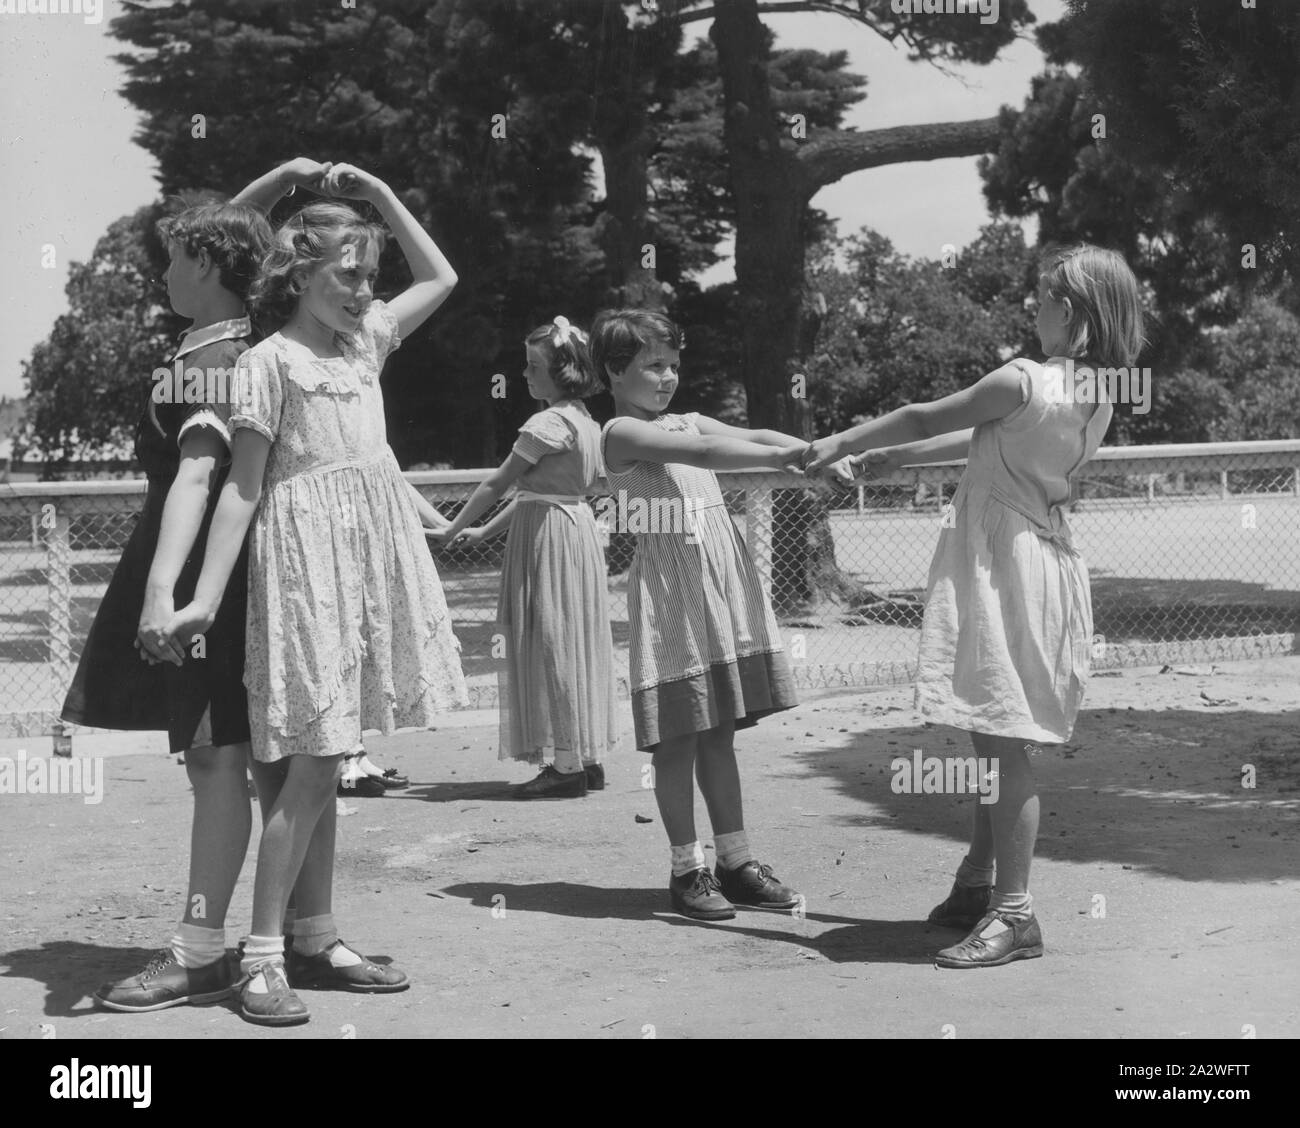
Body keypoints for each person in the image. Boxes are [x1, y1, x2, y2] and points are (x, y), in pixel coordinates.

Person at [163, 164, 467, 1024]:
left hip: (365, 571)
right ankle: (263, 956)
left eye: (371, 275)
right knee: (309, 768)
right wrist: (204, 600)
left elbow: (442, 277)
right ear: (298, 272)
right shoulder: (269, 363)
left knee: (324, 767)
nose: (365, 290)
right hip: (304, 580)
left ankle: (316, 934)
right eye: (346, 272)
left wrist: (377, 195)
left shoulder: (365, 342)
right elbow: (241, 490)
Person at [805, 244, 1144, 967]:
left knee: (1000, 736)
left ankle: (1015, 912)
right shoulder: (1099, 391)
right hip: (1048, 563)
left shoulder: (1023, 376)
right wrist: (899, 459)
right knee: (1000, 729)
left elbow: (923, 412)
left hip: (1001, 563)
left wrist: (840, 441)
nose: (1034, 307)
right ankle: (979, 881)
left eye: (1044, 296)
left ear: (1071, 311)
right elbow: (992, 431)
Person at [75, 160, 327, 1012]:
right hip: (215, 572)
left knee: (223, 760)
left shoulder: (222, 356)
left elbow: (196, 478)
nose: (163, 272)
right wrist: (277, 180)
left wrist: (164, 594)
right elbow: (231, 238)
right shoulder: (209, 338)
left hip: (209, 579)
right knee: (249, 760)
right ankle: (290, 936)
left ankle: (203, 950)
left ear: (212, 271)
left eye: (177, 260)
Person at [594, 308, 846, 921]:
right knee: (677, 741)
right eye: (652, 365)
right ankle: (688, 871)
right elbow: (709, 451)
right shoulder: (619, 434)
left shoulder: (682, 418)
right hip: (672, 601)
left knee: (719, 733)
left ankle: (736, 862)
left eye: (673, 364)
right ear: (613, 372)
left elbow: (754, 437)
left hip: (718, 594)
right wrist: (796, 463)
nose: (667, 377)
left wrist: (824, 451)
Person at [432, 317, 619, 798]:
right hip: (574, 532)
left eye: (534, 366)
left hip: (549, 539)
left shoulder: (548, 421)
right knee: (571, 638)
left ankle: (566, 766)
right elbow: (536, 491)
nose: (525, 374)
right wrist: (485, 530)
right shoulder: (586, 421)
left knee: (549, 640)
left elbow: (501, 482)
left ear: (563, 370)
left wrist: (453, 527)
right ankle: (584, 757)